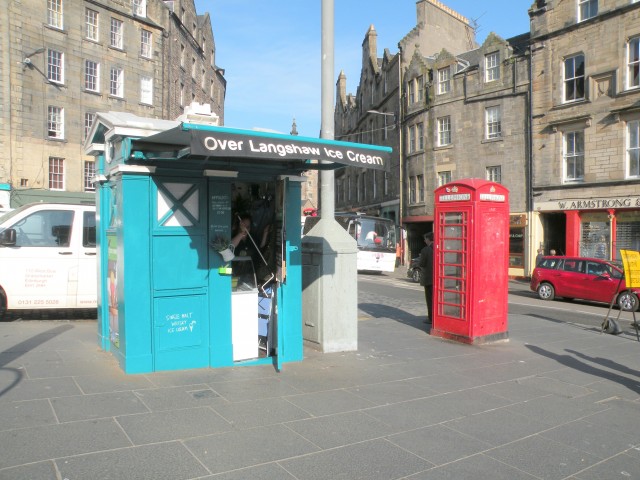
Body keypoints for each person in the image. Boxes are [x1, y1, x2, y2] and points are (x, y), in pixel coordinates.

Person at [419, 232, 434, 326]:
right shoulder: (440, 247)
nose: (424, 241)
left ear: (428, 239)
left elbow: (422, 264)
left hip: (429, 279)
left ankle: (431, 318)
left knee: (429, 299)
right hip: (439, 279)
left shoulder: (425, 250)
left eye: (425, 239)